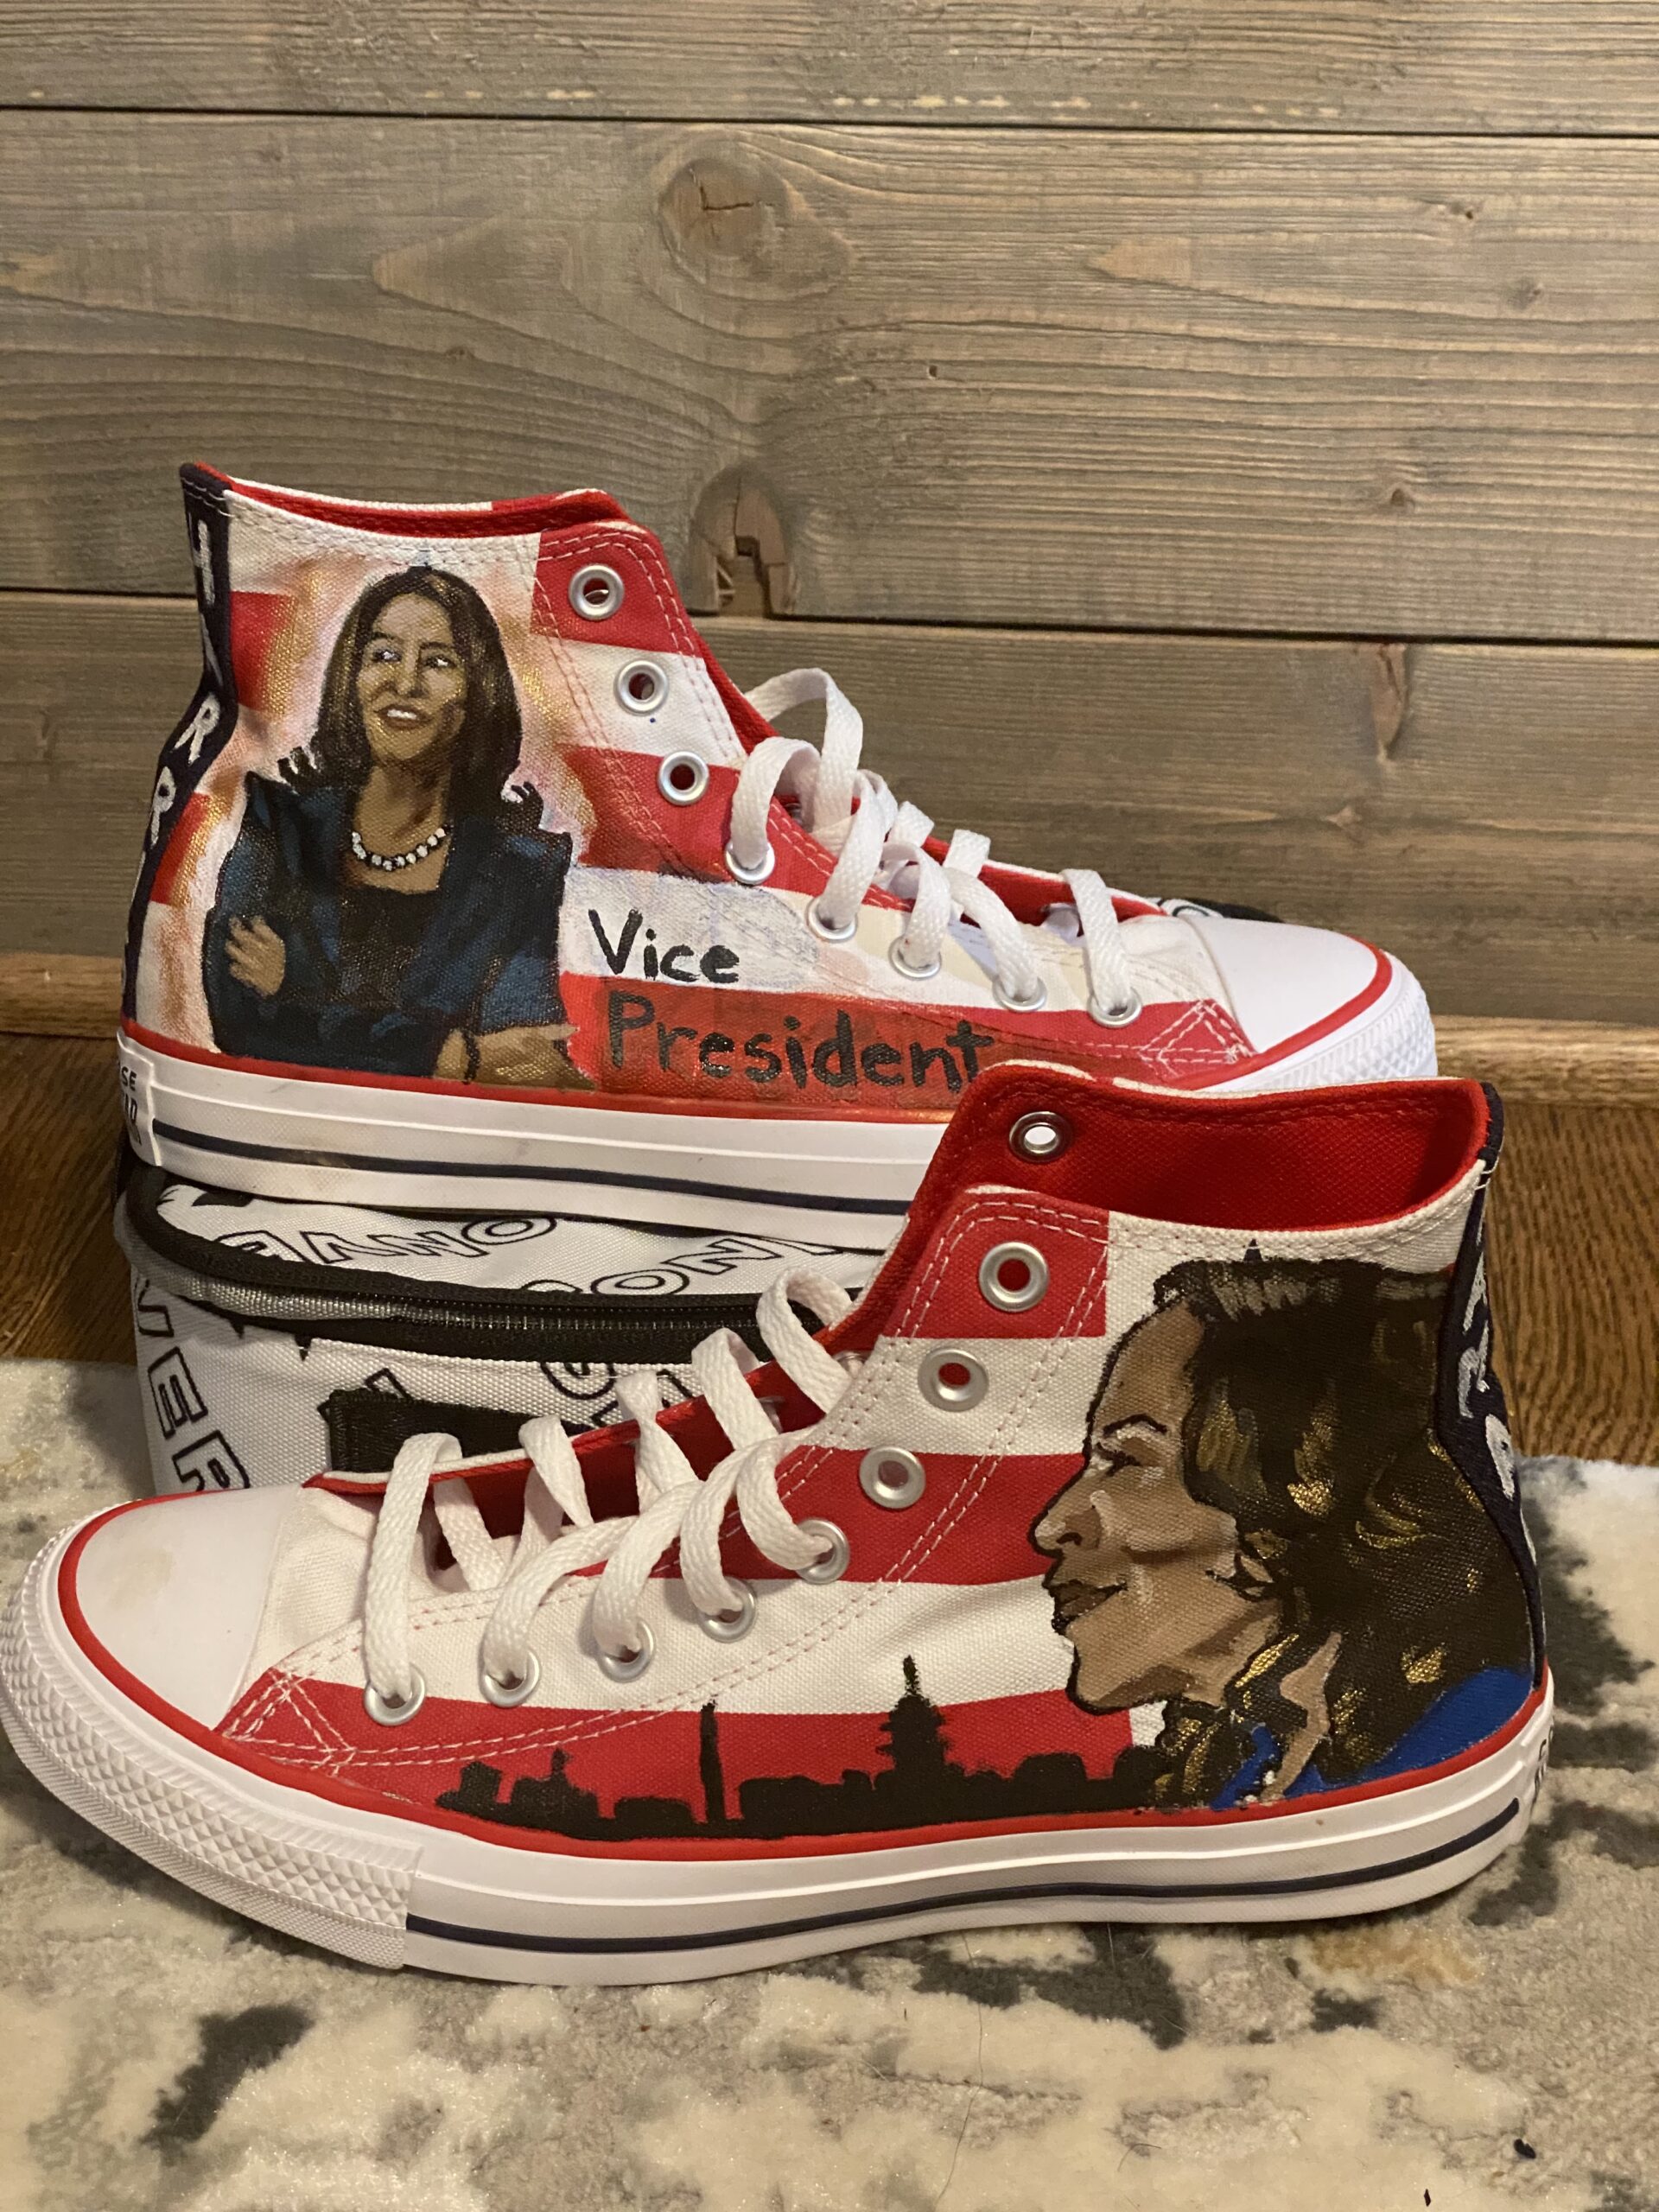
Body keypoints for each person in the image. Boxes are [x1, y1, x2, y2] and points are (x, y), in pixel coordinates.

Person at [1033, 1255, 1534, 1810]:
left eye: (1127, 1460)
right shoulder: (1231, 1749)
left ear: (1286, 1496)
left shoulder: (1413, 1706)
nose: (1051, 1527)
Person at [204, 565, 586, 1086]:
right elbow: (240, 1022)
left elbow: (521, 1059)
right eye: (383, 655)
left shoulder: (521, 870)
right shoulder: (278, 827)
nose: (405, 684)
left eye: (439, 662)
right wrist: (451, 1055)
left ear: (478, 691)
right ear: (352, 678)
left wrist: (296, 996)